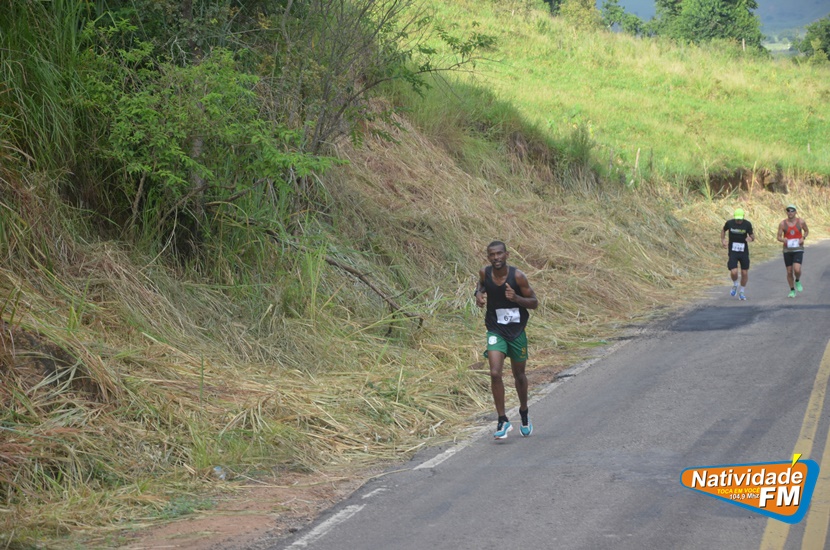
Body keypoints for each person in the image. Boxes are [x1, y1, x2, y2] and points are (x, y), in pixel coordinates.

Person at [474, 241, 538, 439]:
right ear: (488, 257)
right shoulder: (485, 273)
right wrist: (478, 293)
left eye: (499, 254)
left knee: (519, 375)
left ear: (506, 255)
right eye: (492, 255)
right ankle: (502, 420)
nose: (496, 258)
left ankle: (524, 412)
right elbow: (481, 284)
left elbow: (534, 302)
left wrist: (516, 299)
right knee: (495, 373)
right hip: (495, 330)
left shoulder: (517, 276)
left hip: (517, 331)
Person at [721, 208, 754, 301]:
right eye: (737, 219)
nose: (739, 221)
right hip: (733, 251)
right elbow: (723, 230)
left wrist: (750, 238)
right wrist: (723, 240)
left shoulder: (747, 224)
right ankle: (735, 284)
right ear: (734, 217)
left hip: (743, 251)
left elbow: (752, 236)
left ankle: (742, 291)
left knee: (744, 272)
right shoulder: (730, 223)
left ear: (743, 217)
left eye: (740, 219)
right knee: (734, 271)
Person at [776, 204, 809, 298]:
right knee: (789, 271)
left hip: (798, 248)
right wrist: (783, 240)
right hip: (787, 250)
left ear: (795, 212)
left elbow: (806, 231)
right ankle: (792, 290)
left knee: (797, 269)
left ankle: (797, 280)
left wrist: (803, 237)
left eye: (792, 210)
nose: (790, 212)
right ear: (786, 212)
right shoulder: (782, 224)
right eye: (788, 211)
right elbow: (778, 237)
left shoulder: (801, 221)